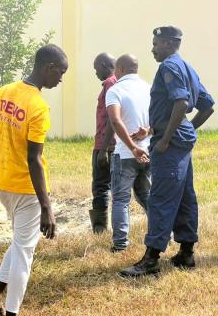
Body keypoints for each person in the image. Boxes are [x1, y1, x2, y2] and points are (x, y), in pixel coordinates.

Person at [0, 44, 68, 316]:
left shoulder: (4, 92)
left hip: (4, 184)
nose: (61, 79)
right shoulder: (38, 106)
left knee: (19, 244)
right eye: (60, 73)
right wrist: (46, 206)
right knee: (25, 254)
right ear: (48, 68)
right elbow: (34, 160)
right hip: (27, 190)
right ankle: (13, 312)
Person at [120, 26, 214, 277]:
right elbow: (207, 105)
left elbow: (182, 103)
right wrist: (186, 129)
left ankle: (151, 259)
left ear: (171, 43)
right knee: (184, 196)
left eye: (156, 43)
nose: (152, 48)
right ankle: (186, 252)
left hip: (170, 144)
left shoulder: (169, 67)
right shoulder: (187, 68)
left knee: (160, 197)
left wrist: (166, 139)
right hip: (179, 141)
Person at [105, 54, 151, 252]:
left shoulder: (116, 90)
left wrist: (132, 147)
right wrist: (146, 133)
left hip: (126, 154)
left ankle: (120, 244)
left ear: (121, 68)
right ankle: (164, 235)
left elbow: (115, 121)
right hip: (148, 151)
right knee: (148, 196)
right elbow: (157, 119)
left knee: (121, 200)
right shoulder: (149, 88)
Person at [89, 53, 117, 234]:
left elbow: (111, 118)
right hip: (111, 144)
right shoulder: (117, 82)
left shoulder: (110, 84)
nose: (95, 73)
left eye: (96, 68)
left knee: (100, 187)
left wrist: (103, 149)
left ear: (104, 64)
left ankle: (100, 229)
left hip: (106, 145)